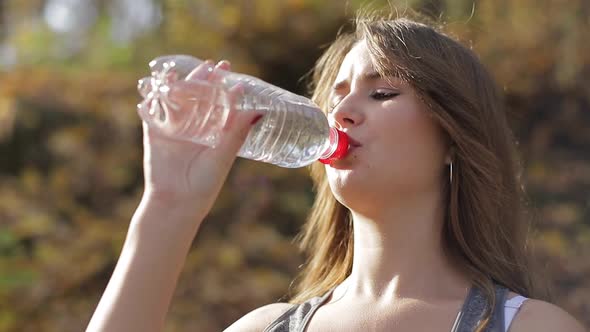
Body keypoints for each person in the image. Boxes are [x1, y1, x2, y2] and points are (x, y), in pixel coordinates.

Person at [86, 9, 586, 332]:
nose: (342, 111)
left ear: (455, 137)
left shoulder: (530, 326)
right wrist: (168, 207)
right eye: (336, 94)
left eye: (383, 92)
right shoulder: (265, 328)